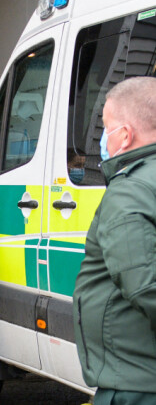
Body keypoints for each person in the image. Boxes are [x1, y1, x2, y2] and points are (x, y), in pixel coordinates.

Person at [73, 76, 156, 405]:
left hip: (135, 383)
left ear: (124, 135)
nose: (103, 139)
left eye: (106, 127)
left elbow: (144, 286)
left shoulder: (130, 190)